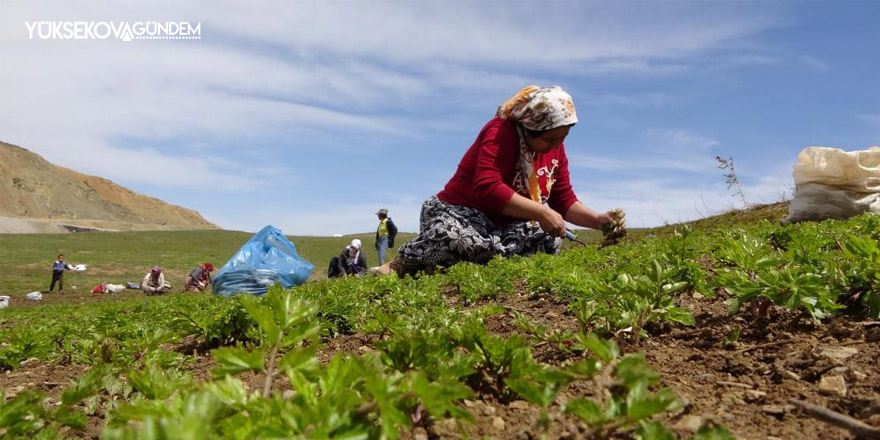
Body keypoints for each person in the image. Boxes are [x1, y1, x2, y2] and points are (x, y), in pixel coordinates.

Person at [382, 85, 613, 277]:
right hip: (461, 214)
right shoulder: (500, 132)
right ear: (531, 128)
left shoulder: (555, 149)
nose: (556, 145)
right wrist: (541, 212)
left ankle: (459, 265)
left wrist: (599, 221)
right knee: (455, 238)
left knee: (548, 239)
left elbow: (563, 200)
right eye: (550, 138)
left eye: (563, 137)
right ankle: (405, 264)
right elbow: (488, 187)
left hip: (504, 225)